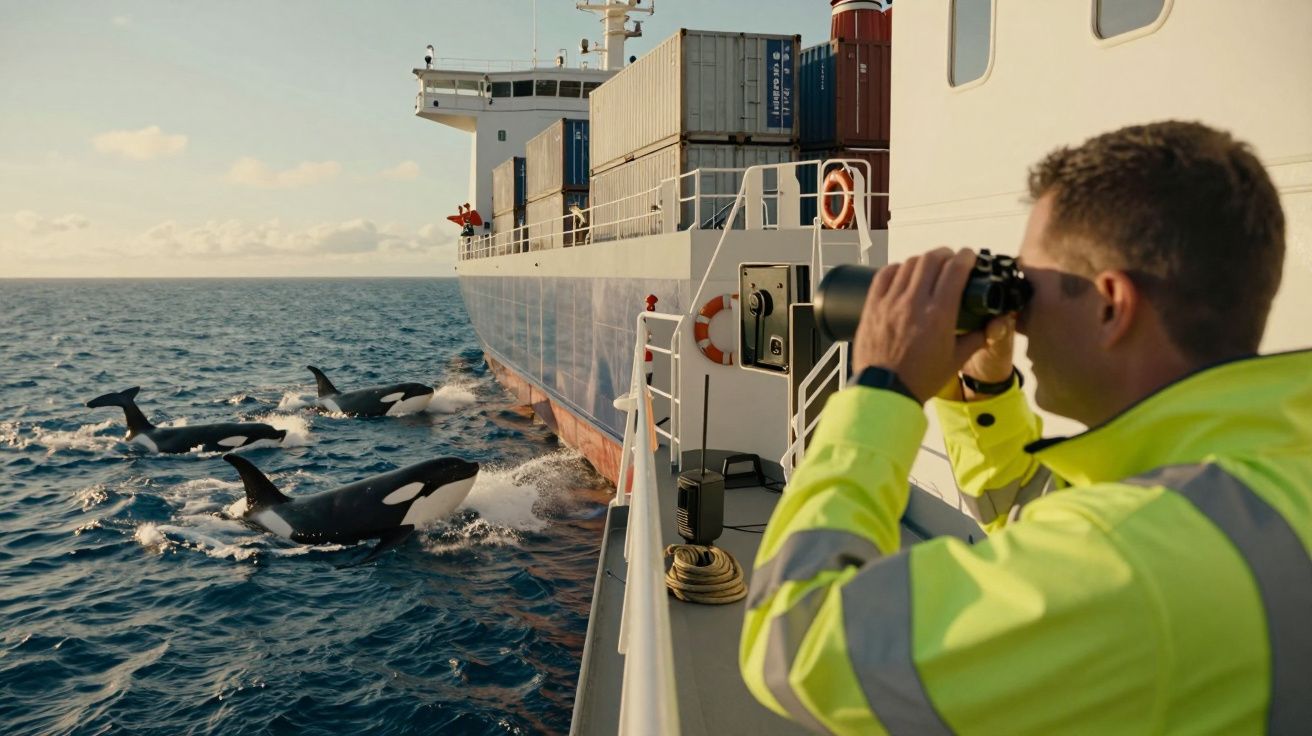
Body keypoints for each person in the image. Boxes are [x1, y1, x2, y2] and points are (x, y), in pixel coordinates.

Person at [740, 121, 1309, 735]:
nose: (1020, 315)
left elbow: (796, 640)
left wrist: (885, 388)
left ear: (1111, 305)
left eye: (1027, 286)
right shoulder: (1259, 472)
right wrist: (983, 394)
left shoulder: (1132, 563)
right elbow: (1052, 520)